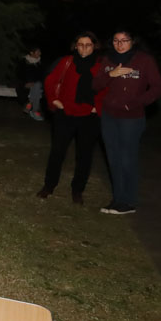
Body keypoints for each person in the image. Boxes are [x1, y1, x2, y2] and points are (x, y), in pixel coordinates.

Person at [94, 29, 161, 215]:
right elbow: (96, 85)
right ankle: (118, 199)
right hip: (109, 116)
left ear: (132, 41)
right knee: (113, 158)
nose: (120, 44)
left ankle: (129, 201)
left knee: (127, 158)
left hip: (131, 118)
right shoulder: (107, 59)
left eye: (124, 40)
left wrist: (135, 103)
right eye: (116, 40)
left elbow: (158, 88)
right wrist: (111, 74)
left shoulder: (144, 60)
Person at [37, 32, 104, 205]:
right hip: (65, 114)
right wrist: (54, 100)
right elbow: (50, 81)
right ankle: (49, 185)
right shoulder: (66, 62)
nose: (84, 48)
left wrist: (98, 107)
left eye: (88, 45)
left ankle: (77, 190)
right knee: (57, 151)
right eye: (80, 44)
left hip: (89, 117)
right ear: (75, 46)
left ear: (94, 46)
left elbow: (107, 88)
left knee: (84, 155)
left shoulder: (101, 66)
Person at [18, 46, 45, 121]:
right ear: (31, 53)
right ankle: (34, 111)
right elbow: (19, 74)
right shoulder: (24, 62)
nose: (40, 53)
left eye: (40, 52)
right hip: (26, 84)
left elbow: (43, 76)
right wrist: (26, 83)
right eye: (38, 52)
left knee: (37, 86)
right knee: (37, 88)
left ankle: (30, 104)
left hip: (38, 85)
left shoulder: (40, 63)